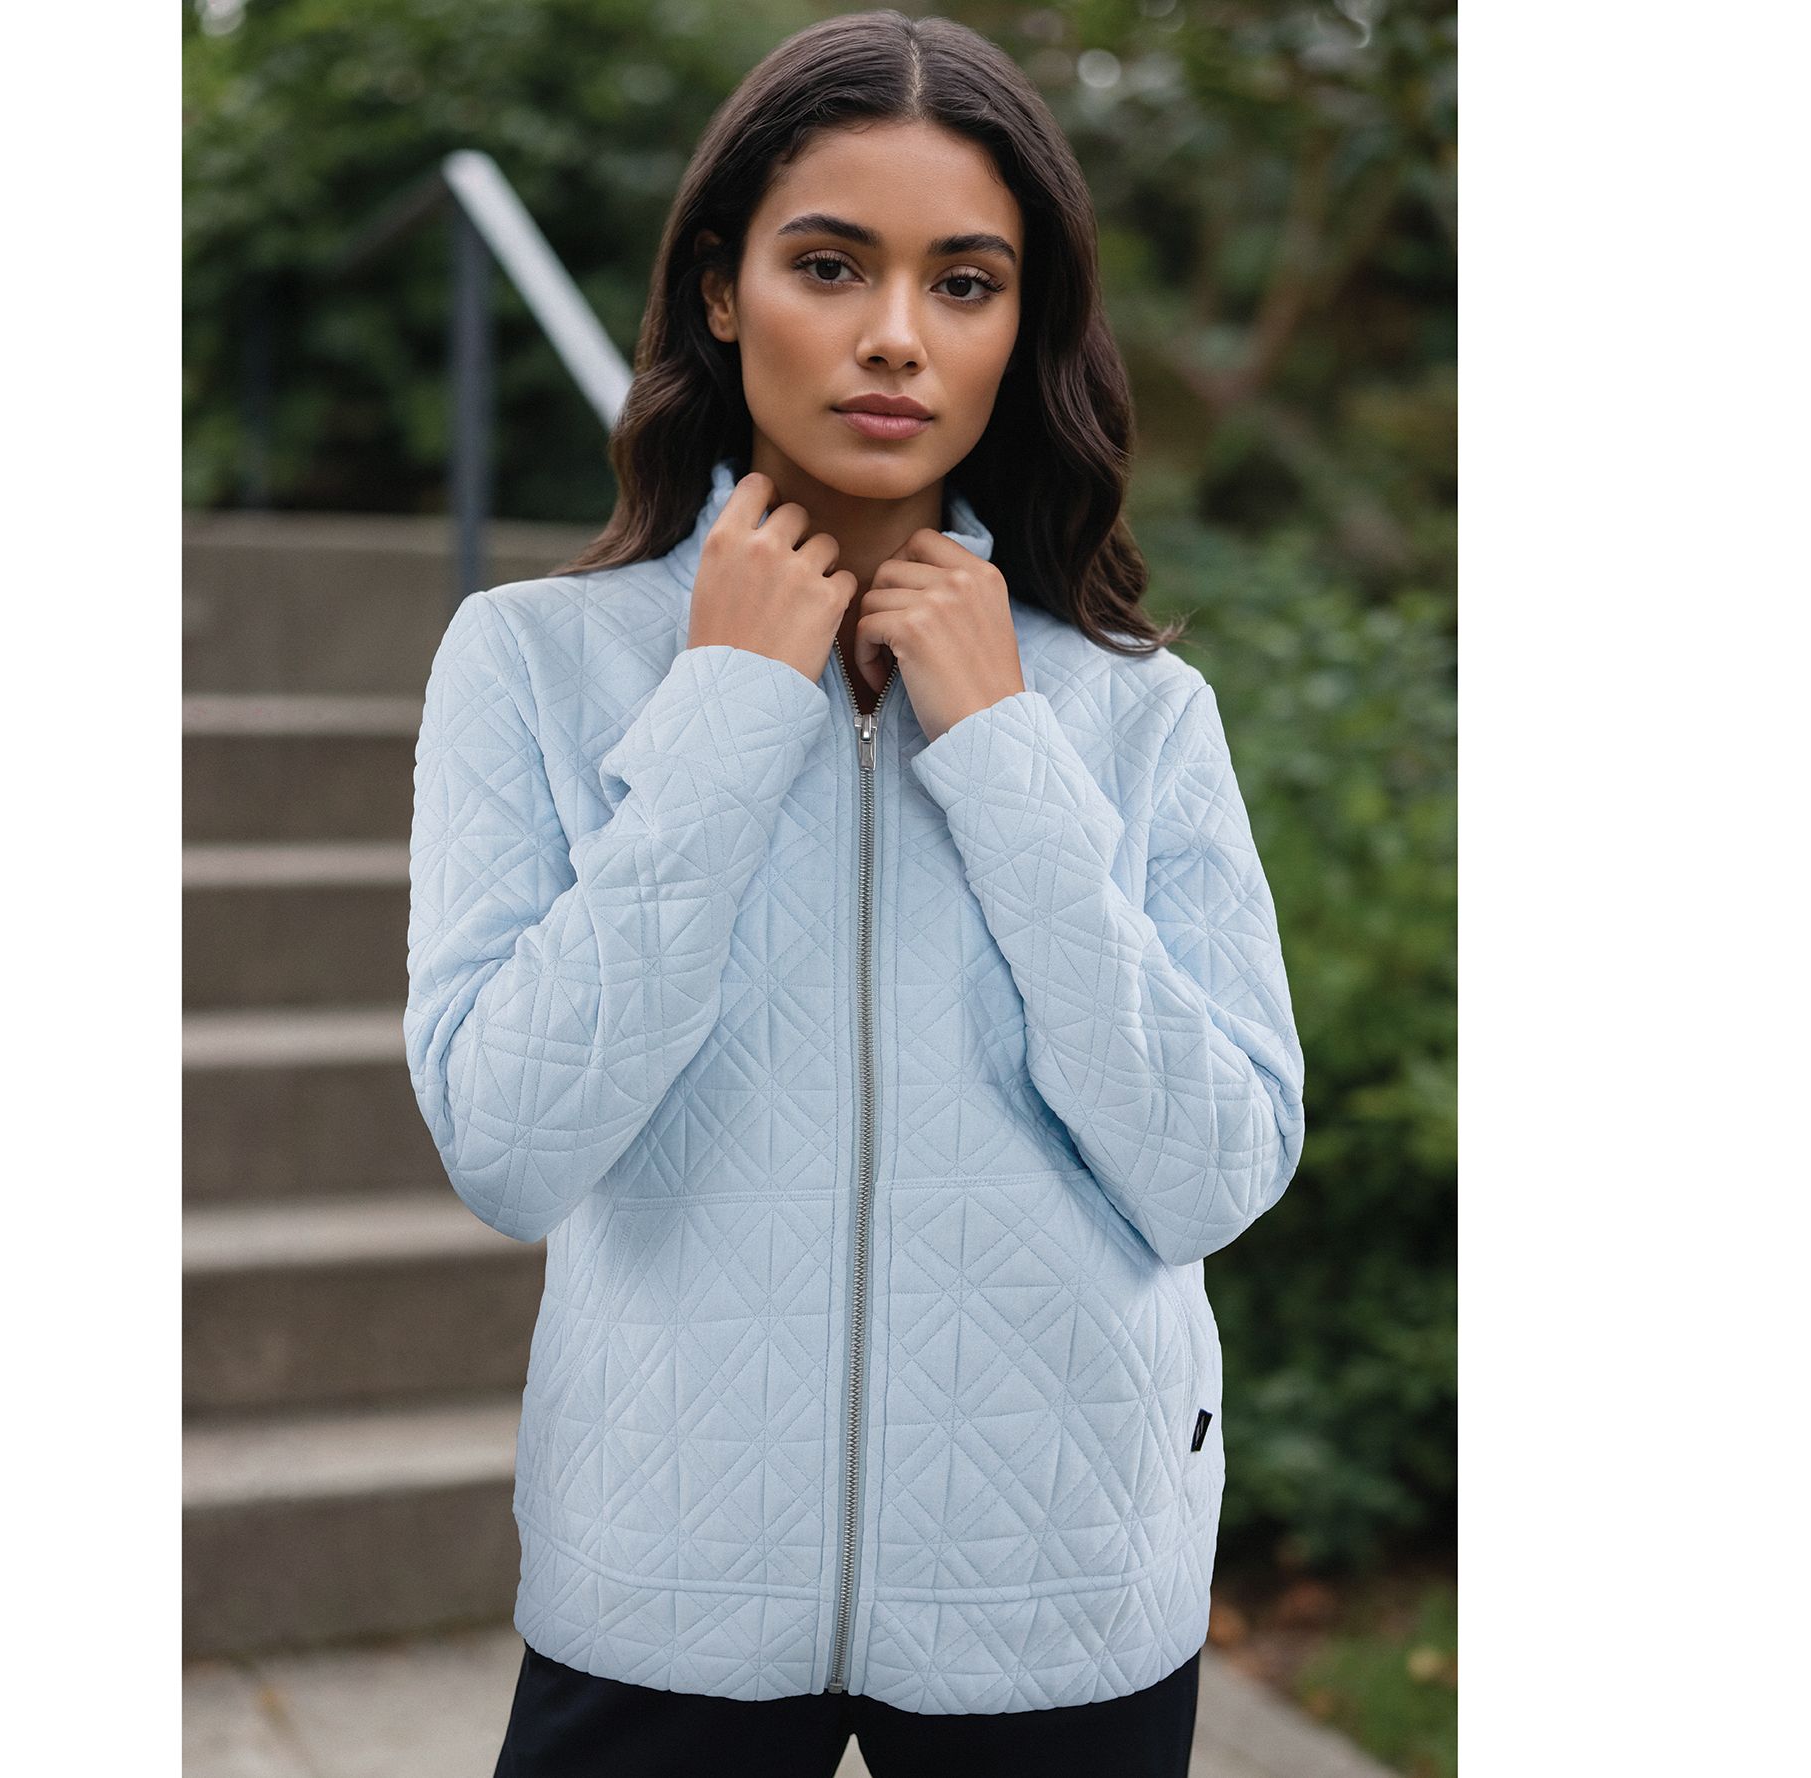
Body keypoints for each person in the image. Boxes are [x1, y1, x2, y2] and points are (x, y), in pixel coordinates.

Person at [403, 10, 1306, 1775]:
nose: (897, 333)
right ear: (723, 290)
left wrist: (1008, 743)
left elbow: (1213, 1170)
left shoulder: (1136, 711)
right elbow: (508, 1146)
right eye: (830, 265)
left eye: (964, 283)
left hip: (1062, 1587)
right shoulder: (529, 664)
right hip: (661, 1582)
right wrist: (728, 709)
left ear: (1020, 327)